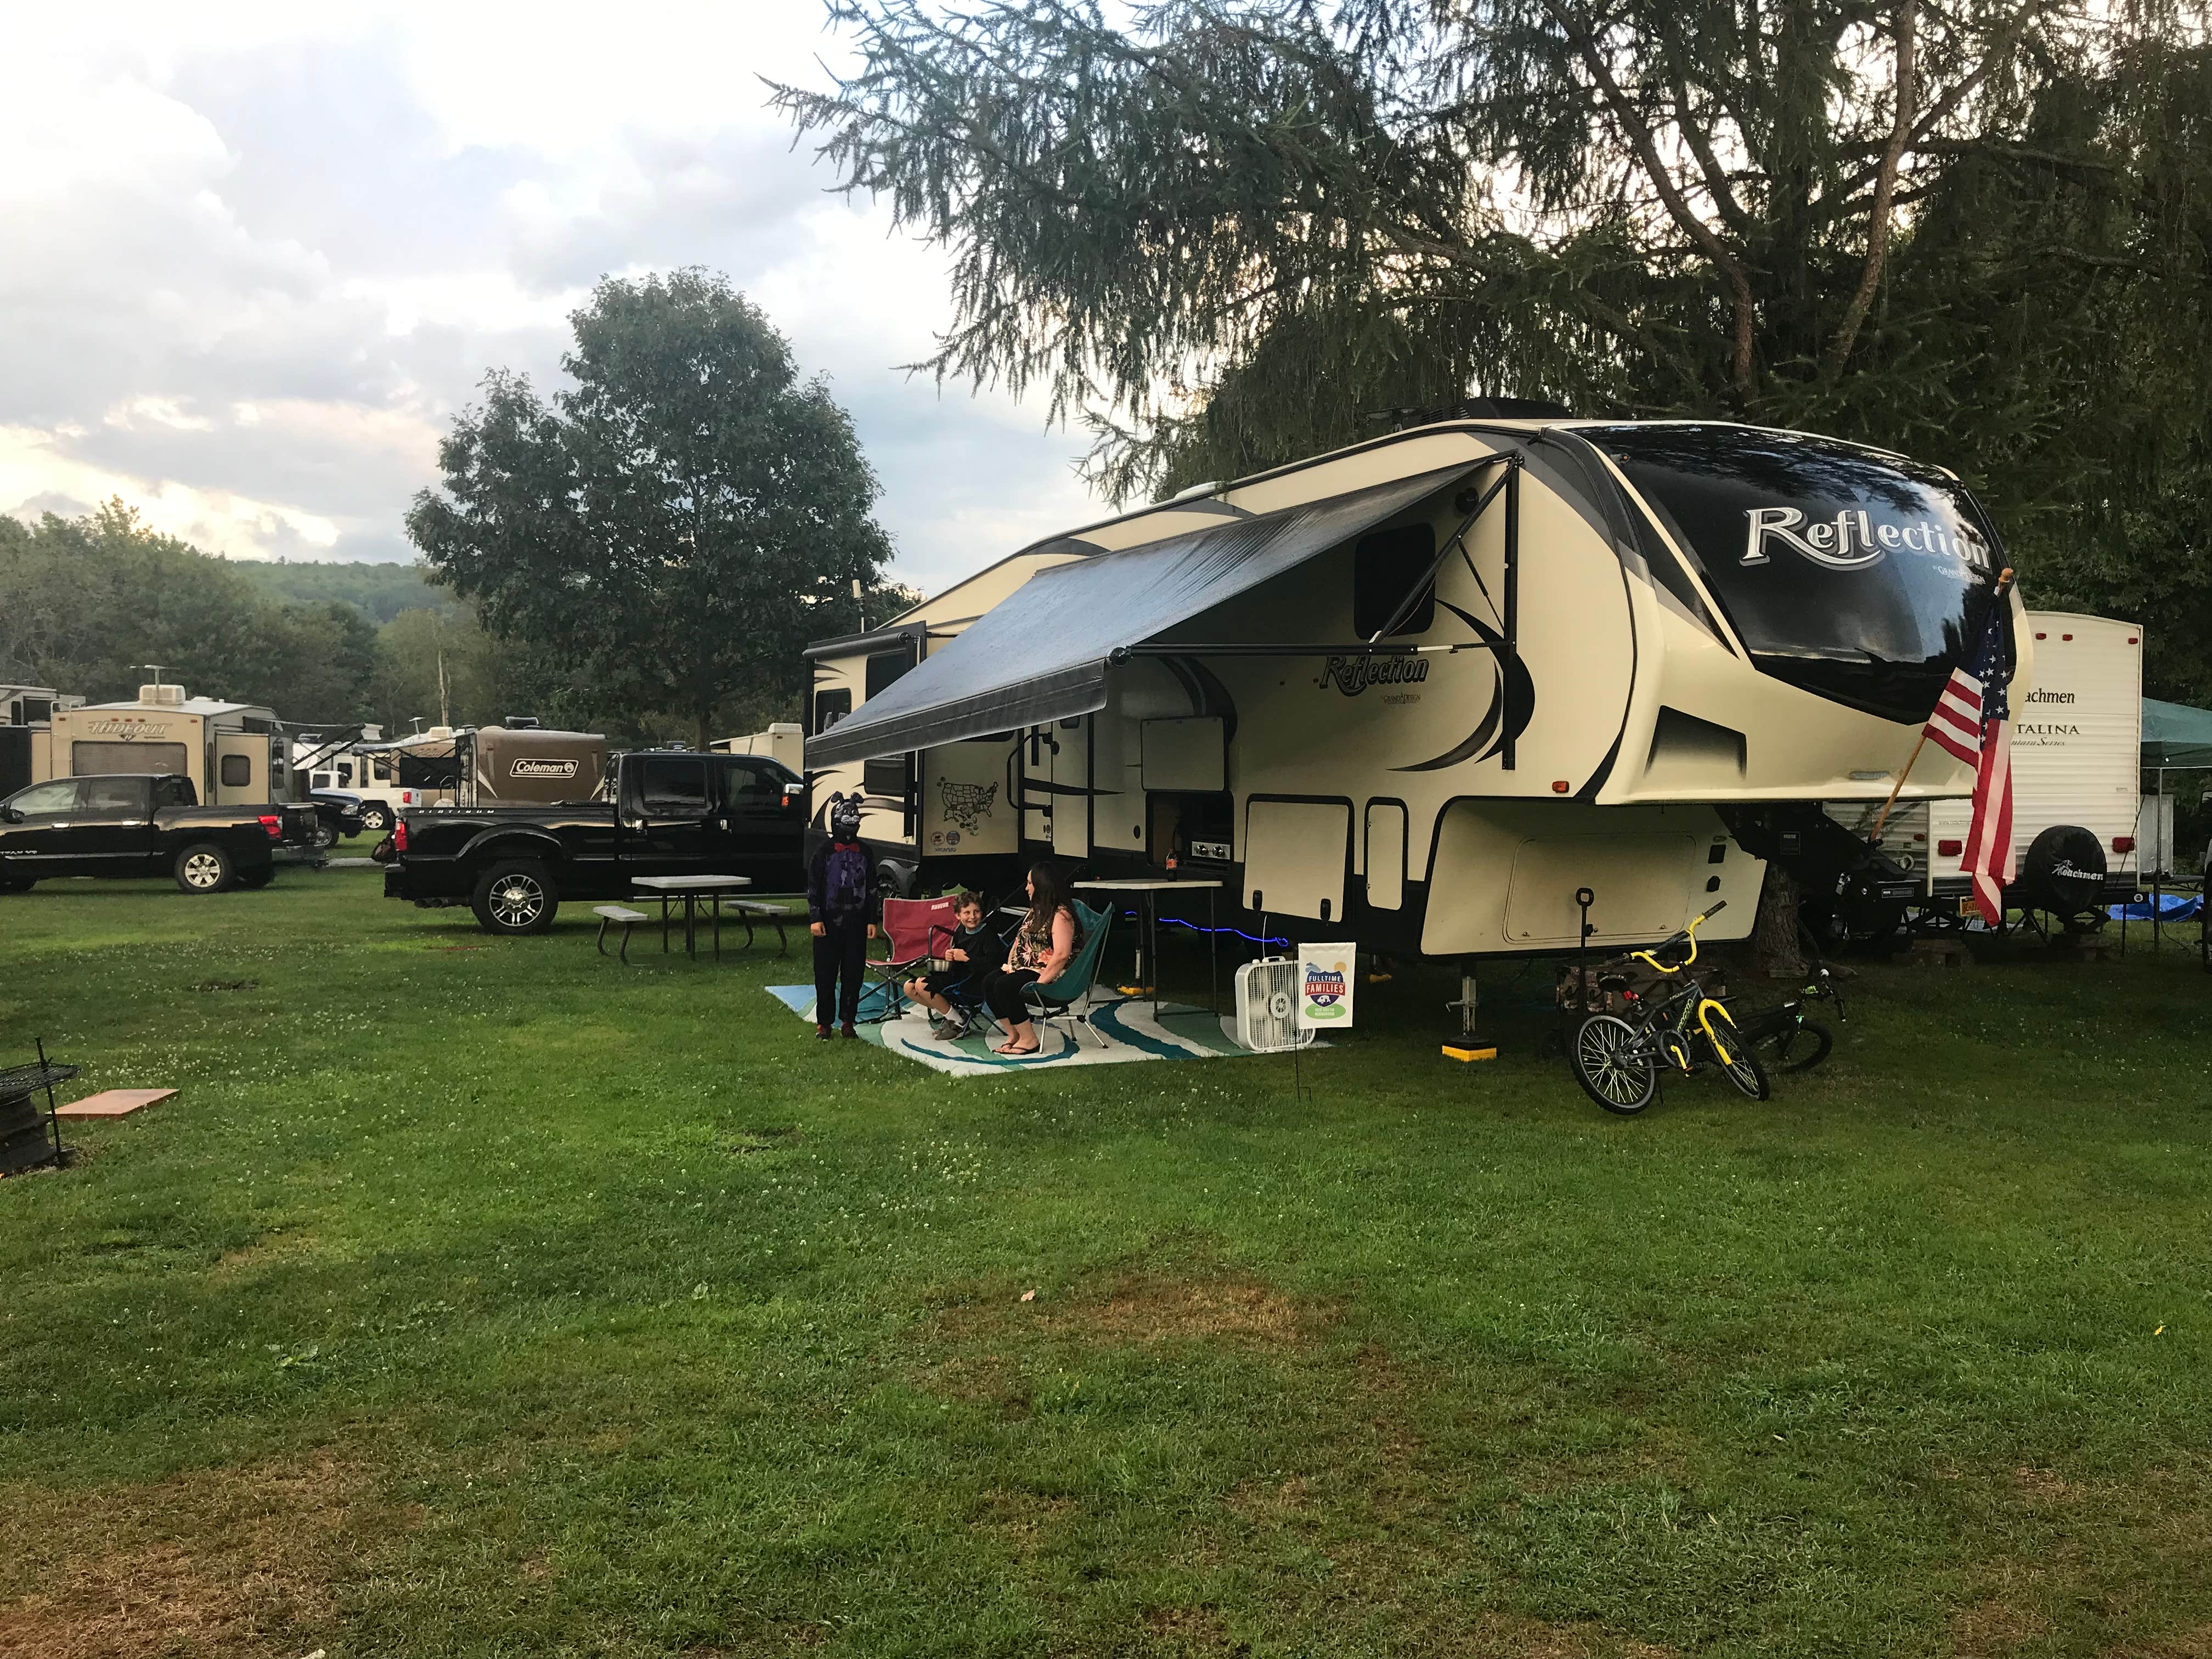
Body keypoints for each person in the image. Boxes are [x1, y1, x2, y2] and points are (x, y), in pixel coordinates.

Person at [978, 863, 1084, 1056]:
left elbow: (1061, 955)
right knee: (990, 982)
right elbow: (1019, 941)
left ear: (1041, 885)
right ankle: (1015, 1034)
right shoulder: (1036, 911)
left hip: (1050, 974)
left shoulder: (1061, 915)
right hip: (1027, 968)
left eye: (1030, 883)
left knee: (1005, 986)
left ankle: (1030, 1039)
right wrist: (1010, 965)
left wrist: (1040, 984)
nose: (1026, 888)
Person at [806, 793, 879, 1039]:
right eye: (845, 815)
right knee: (825, 973)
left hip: (857, 923)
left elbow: (872, 888)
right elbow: (814, 886)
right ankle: (824, 1023)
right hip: (828, 922)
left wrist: (872, 919)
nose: (850, 819)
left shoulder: (867, 852)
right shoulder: (824, 851)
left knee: (854, 973)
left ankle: (848, 1021)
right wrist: (815, 917)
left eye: (854, 815)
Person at [904, 890, 1005, 1042]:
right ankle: (953, 1016)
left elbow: (994, 966)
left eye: (976, 912)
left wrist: (967, 959)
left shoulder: (988, 934)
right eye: (967, 913)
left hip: (975, 983)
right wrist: (951, 957)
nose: (972, 917)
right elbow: (959, 962)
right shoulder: (960, 931)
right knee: (909, 988)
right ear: (958, 915)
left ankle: (959, 1023)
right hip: (958, 976)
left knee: (922, 985)